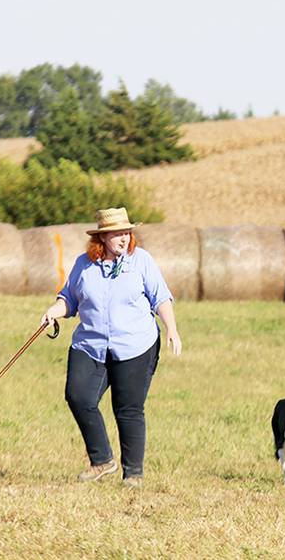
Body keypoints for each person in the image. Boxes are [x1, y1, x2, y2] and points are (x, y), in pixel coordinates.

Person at [41, 207, 182, 487]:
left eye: (126, 232)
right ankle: (102, 460)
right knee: (78, 396)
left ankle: (133, 475)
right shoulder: (84, 264)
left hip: (135, 345)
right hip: (90, 345)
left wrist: (172, 329)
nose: (123, 238)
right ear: (102, 238)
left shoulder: (140, 261)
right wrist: (54, 311)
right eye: (117, 233)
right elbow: (70, 298)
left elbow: (160, 298)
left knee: (127, 408)